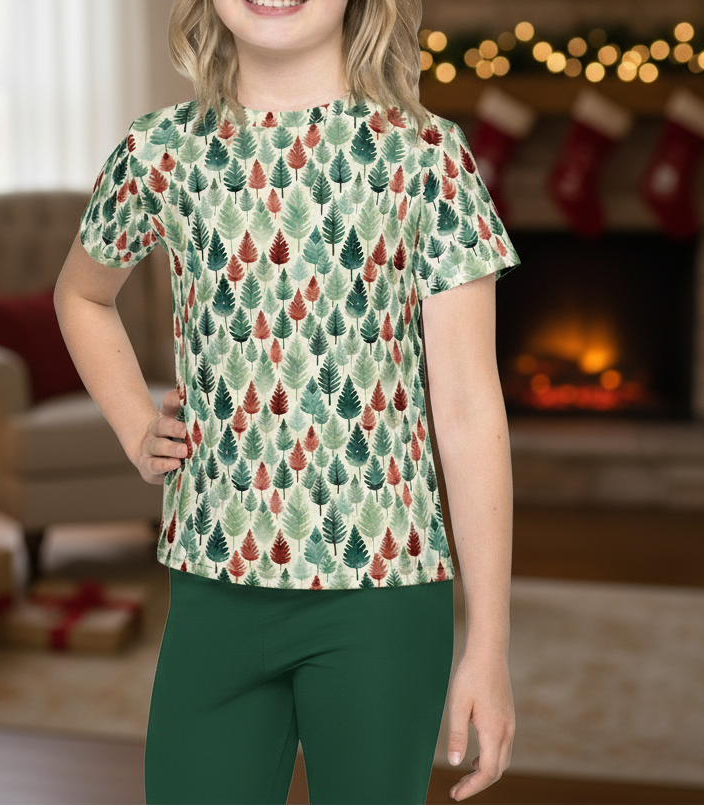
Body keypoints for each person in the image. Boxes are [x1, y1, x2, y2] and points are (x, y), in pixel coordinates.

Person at [54, 0, 520, 802]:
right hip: (211, 586)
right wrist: (136, 424)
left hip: (384, 596)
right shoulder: (159, 150)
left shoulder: (427, 157)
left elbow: (472, 410)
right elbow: (82, 295)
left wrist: (489, 643)